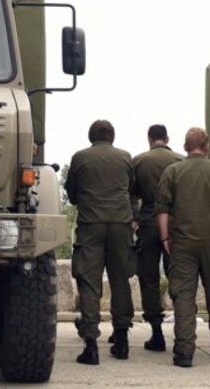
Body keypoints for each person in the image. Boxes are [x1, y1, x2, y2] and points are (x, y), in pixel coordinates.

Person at [156, 127, 210, 368]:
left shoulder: (173, 172)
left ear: (184, 147)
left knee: (183, 296)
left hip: (183, 244)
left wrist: (165, 239)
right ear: (207, 146)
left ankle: (184, 351)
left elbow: (162, 210)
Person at [64, 119, 135, 365]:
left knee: (89, 282)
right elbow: (131, 189)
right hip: (120, 224)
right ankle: (122, 340)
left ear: (90, 137)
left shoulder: (80, 157)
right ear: (112, 137)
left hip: (91, 224)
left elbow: (72, 194)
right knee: (120, 280)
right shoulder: (126, 157)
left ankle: (91, 345)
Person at [130, 124, 183, 352]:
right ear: (167, 138)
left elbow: (131, 194)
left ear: (149, 138)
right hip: (176, 224)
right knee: (179, 276)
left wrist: (135, 218)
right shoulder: (181, 161)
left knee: (149, 278)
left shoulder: (139, 161)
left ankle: (156, 332)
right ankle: (182, 328)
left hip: (149, 223)